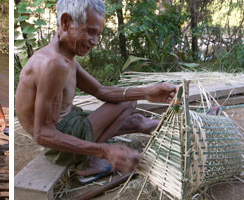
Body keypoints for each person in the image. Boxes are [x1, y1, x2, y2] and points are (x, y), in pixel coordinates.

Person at [14, 0, 176, 180]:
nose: (95, 42)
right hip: (57, 143)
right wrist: (103, 151)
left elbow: (101, 91)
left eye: (98, 34)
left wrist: (147, 92)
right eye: (90, 32)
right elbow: (42, 134)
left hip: (67, 124)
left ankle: (141, 124)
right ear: (66, 22)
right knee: (127, 102)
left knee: (131, 110)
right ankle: (87, 162)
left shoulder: (65, 57)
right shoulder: (53, 64)